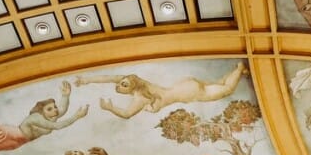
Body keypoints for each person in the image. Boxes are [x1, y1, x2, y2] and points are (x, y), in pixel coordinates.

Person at [74, 65, 246, 119]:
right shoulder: (136, 81)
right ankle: (239, 71)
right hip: (183, 84)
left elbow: (127, 114)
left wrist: (110, 108)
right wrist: (87, 80)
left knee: (227, 90)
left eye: (122, 84)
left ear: (131, 88)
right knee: (217, 84)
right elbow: (108, 78)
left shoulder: (140, 97)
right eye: (121, 84)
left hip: (186, 93)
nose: (119, 84)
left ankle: (240, 67)